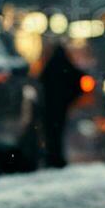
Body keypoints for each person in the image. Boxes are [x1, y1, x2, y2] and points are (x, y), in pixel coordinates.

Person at [38, 39, 87, 168]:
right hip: (60, 106)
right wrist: (70, 98)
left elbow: (41, 83)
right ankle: (56, 157)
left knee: (51, 134)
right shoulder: (65, 66)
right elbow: (77, 79)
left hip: (50, 106)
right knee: (58, 132)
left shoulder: (50, 68)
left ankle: (52, 157)